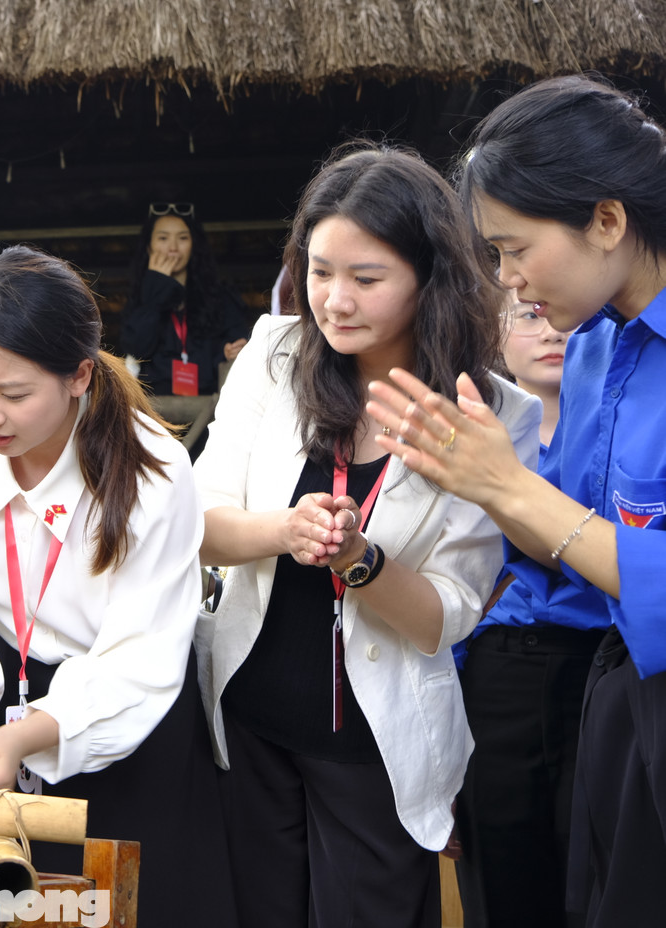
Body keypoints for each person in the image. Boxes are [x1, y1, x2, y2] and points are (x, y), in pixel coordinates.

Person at [194, 144, 541, 927]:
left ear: (430, 276)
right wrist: (284, 532)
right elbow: (199, 526)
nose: (334, 300)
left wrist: (359, 560)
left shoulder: (494, 413)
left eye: (366, 278)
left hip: (376, 747)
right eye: (319, 272)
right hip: (250, 719)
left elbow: (443, 617)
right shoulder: (273, 359)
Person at [366, 74, 666, 926]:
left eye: (514, 248)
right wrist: (476, 478)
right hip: (614, 692)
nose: (508, 280)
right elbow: (562, 540)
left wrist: (506, 485)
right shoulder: (595, 348)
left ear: (607, 220)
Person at [0, 245, 237, 926]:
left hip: (123, 720)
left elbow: (141, 656)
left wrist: (32, 735)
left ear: (79, 375)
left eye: (14, 394)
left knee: (124, 905)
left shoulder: (156, 471)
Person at [453, 299, 604, 928]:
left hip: (605, 664)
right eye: (529, 317)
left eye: (561, 317)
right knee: (505, 886)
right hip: (502, 670)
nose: (551, 333)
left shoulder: (619, 417)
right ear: (495, 332)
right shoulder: (474, 432)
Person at [119, 202, 251, 396]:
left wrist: (229, 352)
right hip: (157, 411)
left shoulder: (220, 297)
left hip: (208, 409)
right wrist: (157, 289)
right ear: (149, 247)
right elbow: (137, 349)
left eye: (182, 238)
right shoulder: (138, 297)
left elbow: (239, 346)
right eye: (163, 238)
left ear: (193, 245)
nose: (173, 248)